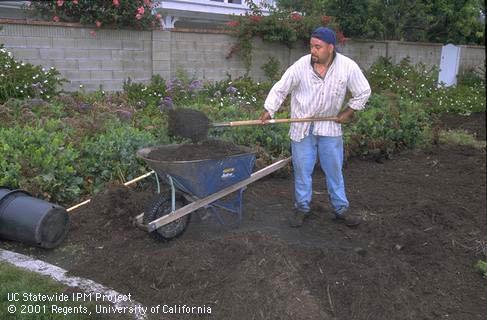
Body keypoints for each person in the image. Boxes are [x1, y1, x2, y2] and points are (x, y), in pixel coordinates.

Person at [260, 27, 371, 227]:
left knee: (334, 171)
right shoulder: (301, 66)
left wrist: (347, 112)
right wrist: (269, 109)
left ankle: (341, 209)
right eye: (311, 46)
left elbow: (363, 91)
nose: (313, 50)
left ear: (330, 47)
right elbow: (281, 87)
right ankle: (302, 207)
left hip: (329, 128)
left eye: (317, 47)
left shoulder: (347, 67)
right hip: (302, 128)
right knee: (303, 171)